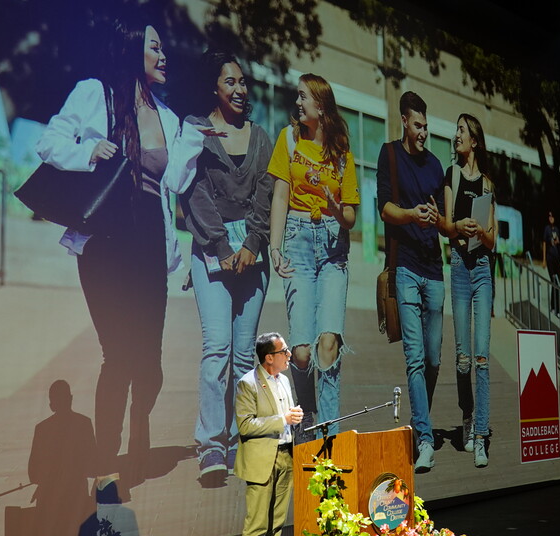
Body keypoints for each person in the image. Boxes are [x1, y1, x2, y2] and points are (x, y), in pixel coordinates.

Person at [34, 19, 217, 483]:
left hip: (150, 246)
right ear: (134, 48)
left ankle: (140, 427)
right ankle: (104, 463)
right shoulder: (96, 93)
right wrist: (88, 148)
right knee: (117, 352)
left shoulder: (169, 117)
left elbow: (173, 182)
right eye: (154, 46)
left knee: (149, 362)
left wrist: (193, 141)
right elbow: (49, 142)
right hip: (107, 245)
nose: (163, 55)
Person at [180, 51, 274, 482]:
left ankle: (244, 440)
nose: (239, 89)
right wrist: (220, 245)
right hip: (209, 251)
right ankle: (210, 447)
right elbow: (193, 192)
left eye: (242, 81)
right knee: (215, 347)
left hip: (251, 256)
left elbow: (267, 193)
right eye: (229, 82)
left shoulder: (261, 138)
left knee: (242, 355)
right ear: (214, 88)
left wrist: (253, 243)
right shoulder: (197, 131)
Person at [266, 73, 359, 441]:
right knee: (302, 353)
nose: (298, 102)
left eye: (303, 97)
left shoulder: (341, 154)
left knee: (328, 344)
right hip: (298, 243)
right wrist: (275, 247)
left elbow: (350, 216)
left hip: (334, 249)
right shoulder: (288, 140)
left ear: (320, 105)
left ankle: (331, 435)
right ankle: (308, 416)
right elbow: (279, 198)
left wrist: (337, 209)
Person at [376, 92, 445, 473]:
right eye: (418, 125)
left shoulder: (435, 166)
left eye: (426, 125)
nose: (423, 132)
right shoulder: (389, 156)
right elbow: (385, 208)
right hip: (404, 267)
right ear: (404, 121)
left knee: (433, 359)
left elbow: (446, 221)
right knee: (415, 359)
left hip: (435, 270)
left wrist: (436, 218)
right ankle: (425, 439)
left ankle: (421, 420)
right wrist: (411, 216)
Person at [439, 113, 497, 468]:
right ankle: (466, 415)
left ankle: (480, 434)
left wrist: (481, 232)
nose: (455, 135)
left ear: (474, 140)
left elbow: (493, 241)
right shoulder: (452, 176)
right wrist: (460, 226)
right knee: (462, 359)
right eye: (456, 130)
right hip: (460, 268)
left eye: (461, 130)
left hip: (482, 271)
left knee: (482, 359)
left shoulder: (488, 184)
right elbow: (446, 227)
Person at [233, 332, 304, 536]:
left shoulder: (283, 380)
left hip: (286, 456)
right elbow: (245, 425)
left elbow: (286, 418)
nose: (289, 354)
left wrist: (295, 417)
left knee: (277, 524)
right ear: (269, 358)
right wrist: (283, 419)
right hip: (262, 461)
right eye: (284, 351)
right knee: (257, 527)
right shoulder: (248, 383)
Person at [27, 380, 97, 536]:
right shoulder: (84, 423)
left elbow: (32, 473)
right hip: (77, 501)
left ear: (51, 404)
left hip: (49, 505)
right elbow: (94, 466)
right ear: (71, 399)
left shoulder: (41, 429)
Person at [542, 209, 560, 317]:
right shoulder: (547, 229)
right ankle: (553, 307)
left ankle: (558, 309)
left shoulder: (557, 230)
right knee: (553, 281)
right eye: (549, 216)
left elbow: (559, 244)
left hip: (557, 258)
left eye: (552, 216)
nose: (550, 218)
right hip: (549, 258)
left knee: (557, 283)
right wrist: (544, 259)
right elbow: (544, 243)